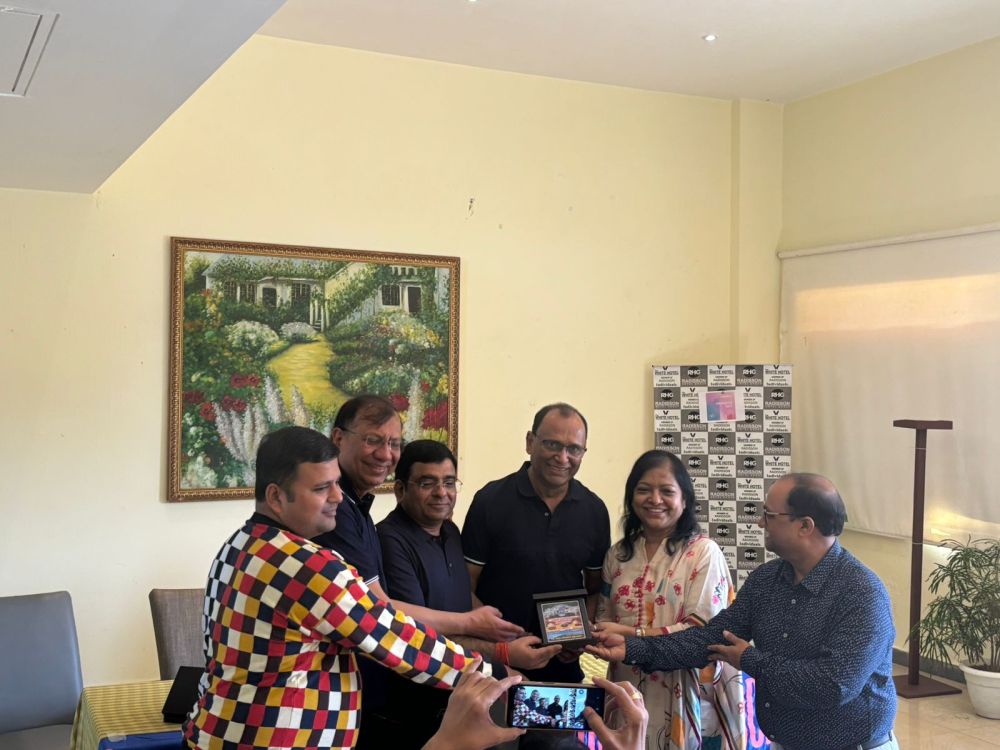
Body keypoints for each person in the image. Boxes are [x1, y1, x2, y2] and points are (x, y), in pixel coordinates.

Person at [182, 426, 489, 750]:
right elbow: (397, 640)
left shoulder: (238, 544)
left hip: (216, 732)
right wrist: (489, 675)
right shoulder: (309, 566)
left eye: (337, 483)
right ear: (275, 497)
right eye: (321, 488)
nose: (338, 498)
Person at [587, 473, 898, 750]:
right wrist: (632, 647)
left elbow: (832, 686)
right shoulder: (767, 580)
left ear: (805, 526)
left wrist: (750, 659)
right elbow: (709, 639)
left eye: (769, 515)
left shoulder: (862, 594)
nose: (760, 523)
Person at [312, 395, 522, 748]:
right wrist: (495, 661)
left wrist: (502, 638)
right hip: (371, 700)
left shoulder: (364, 510)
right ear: (338, 438)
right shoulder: (345, 516)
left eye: (394, 443)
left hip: (422, 689)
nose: (385, 454)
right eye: (373, 440)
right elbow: (382, 615)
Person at [376, 440, 561, 746]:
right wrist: (502, 655)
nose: (441, 493)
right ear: (399, 489)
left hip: (468, 684)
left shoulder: (450, 532)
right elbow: (416, 634)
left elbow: (461, 601)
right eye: (427, 483)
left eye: (449, 482)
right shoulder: (389, 540)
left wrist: (507, 634)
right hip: (423, 703)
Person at [593, 450, 745, 750]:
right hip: (627, 686)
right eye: (644, 490)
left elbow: (702, 633)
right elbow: (603, 615)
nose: (655, 499)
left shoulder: (703, 553)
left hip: (688, 690)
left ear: (684, 499)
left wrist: (631, 634)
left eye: (666, 491)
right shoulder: (618, 554)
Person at [463, 402, 611, 681]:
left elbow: (595, 590)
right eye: (552, 444)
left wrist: (578, 636)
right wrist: (501, 638)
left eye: (574, 449)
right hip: (496, 665)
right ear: (530, 442)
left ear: (583, 452)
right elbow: (464, 586)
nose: (562, 457)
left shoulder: (594, 510)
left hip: (563, 667)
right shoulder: (490, 501)